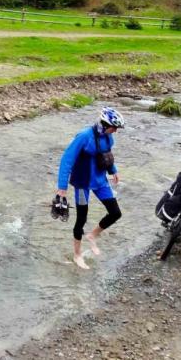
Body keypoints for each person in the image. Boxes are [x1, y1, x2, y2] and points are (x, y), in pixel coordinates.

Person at [56, 106, 125, 269]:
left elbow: (106, 156)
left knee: (115, 213)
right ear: (105, 124)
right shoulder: (84, 136)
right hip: (82, 183)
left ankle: (93, 235)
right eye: (114, 127)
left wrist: (113, 171)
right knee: (81, 219)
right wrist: (62, 186)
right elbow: (66, 160)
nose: (115, 131)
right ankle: (77, 255)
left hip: (101, 181)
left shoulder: (109, 138)